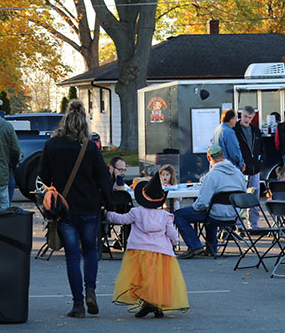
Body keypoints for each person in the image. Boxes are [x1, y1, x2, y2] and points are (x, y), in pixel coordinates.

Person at [39, 100, 115, 318]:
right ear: (83, 123)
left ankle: (78, 303)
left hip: (64, 208)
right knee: (90, 250)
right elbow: (103, 178)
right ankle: (91, 289)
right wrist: (109, 204)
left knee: (72, 255)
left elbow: (43, 178)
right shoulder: (89, 147)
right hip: (89, 206)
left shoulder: (52, 145)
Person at [108, 173, 189, 318]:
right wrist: (175, 242)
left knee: (142, 278)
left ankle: (147, 303)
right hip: (161, 252)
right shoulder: (165, 216)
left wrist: (109, 214)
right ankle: (157, 305)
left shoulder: (136, 213)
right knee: (159, 280)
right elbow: (171, 232)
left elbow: (122, 220)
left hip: (139, 250)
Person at [174, 144, 246, 259]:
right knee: (211, 210)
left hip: (215, 214)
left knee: (178, 215)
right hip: (234, 214)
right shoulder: (238, 173)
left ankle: (194, 245)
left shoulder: (211, 175)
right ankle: (211, 248)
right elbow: (244, 194)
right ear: (223, 155)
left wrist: (195, 207)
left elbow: (202, 203)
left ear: (208, 158)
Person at [233, 106, 263, 229]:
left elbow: (261, 147)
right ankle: (239, 224)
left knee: (254, 198)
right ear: (241, 115)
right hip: (240, 169)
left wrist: (260, 161)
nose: (247, 120)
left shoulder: (256, 130)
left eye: (250, 117)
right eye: (245, 116)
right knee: (239, 197)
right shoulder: (235, 129)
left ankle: (253, 224)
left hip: (254, 168)